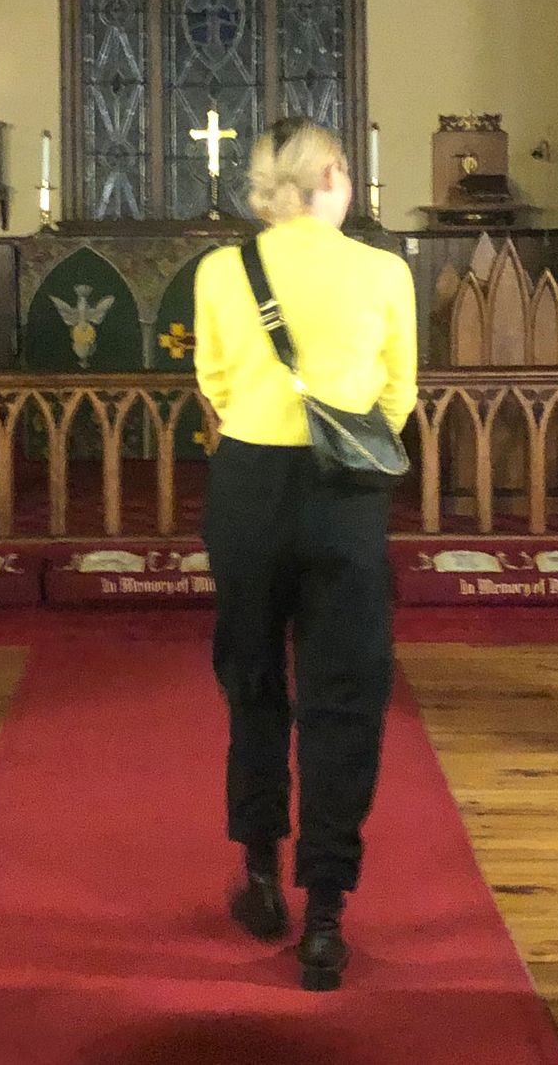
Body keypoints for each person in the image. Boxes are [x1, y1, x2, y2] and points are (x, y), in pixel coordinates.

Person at [191, 116, 418, 991]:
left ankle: (257, 875)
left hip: (247, 486)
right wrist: (349, 448)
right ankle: (325, 909)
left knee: (252, 676)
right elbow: (398, 393)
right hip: (346, 491)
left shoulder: (219, 271)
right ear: (328, 173)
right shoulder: (383, 270)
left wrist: (262, 425)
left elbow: (212, 380)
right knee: (346, 694)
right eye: (347, 171)